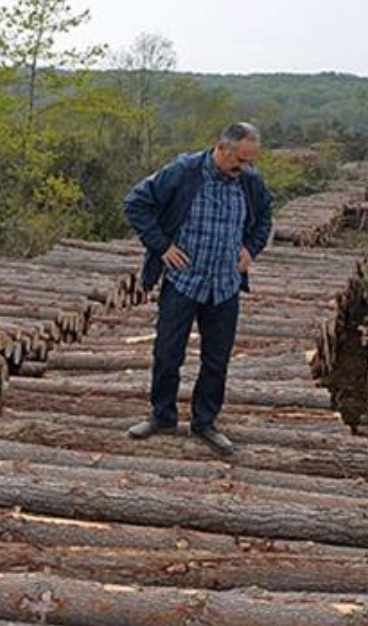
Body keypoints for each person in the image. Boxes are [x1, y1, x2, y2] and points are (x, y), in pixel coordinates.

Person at [122, 122, 273, 455]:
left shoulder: (250, 181)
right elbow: (135, 204)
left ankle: (205, 422)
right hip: (183, 282)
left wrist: (251, 249)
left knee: (216, 359)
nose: (246, 168)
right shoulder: (183, 172)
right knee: (167, 353)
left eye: (250, 161)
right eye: (241, 160)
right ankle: (162, 416)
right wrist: (162, 246)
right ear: (222, 148)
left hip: (225, 285)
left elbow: (264, 217)